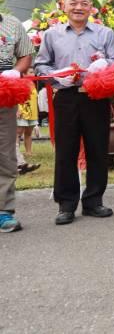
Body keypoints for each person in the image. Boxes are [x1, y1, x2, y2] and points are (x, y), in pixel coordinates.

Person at [34, 0, 114, 225]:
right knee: (65, 151)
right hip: (66, 97)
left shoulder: (105, 33)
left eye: (84, 3)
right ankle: (66, 204)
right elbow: (41, 66)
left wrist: (102, 66)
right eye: (73, 3)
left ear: (92, 7)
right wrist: (57, 76)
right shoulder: (52, 35)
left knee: (97, 149)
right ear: (64, 6)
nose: (78, 8)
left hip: (95, 96)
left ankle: (94, 201)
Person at [0, 12, 34, 233]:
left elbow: (26, 55)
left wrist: (16, 71)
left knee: (5, 153)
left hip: (3, 93)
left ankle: (4, 211)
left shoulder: (12, 23)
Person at [16, 69, 40, 174]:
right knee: (18, 134)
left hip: (33, 113)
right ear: (24, 74)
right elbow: (17, 98)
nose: (33, 74)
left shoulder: (33, 84)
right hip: (23, 112)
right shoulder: (19, 83)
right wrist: (19, 110)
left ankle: (28, 152)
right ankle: (17, 155)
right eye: (30, 72)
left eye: (33, 72)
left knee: (28, 133)